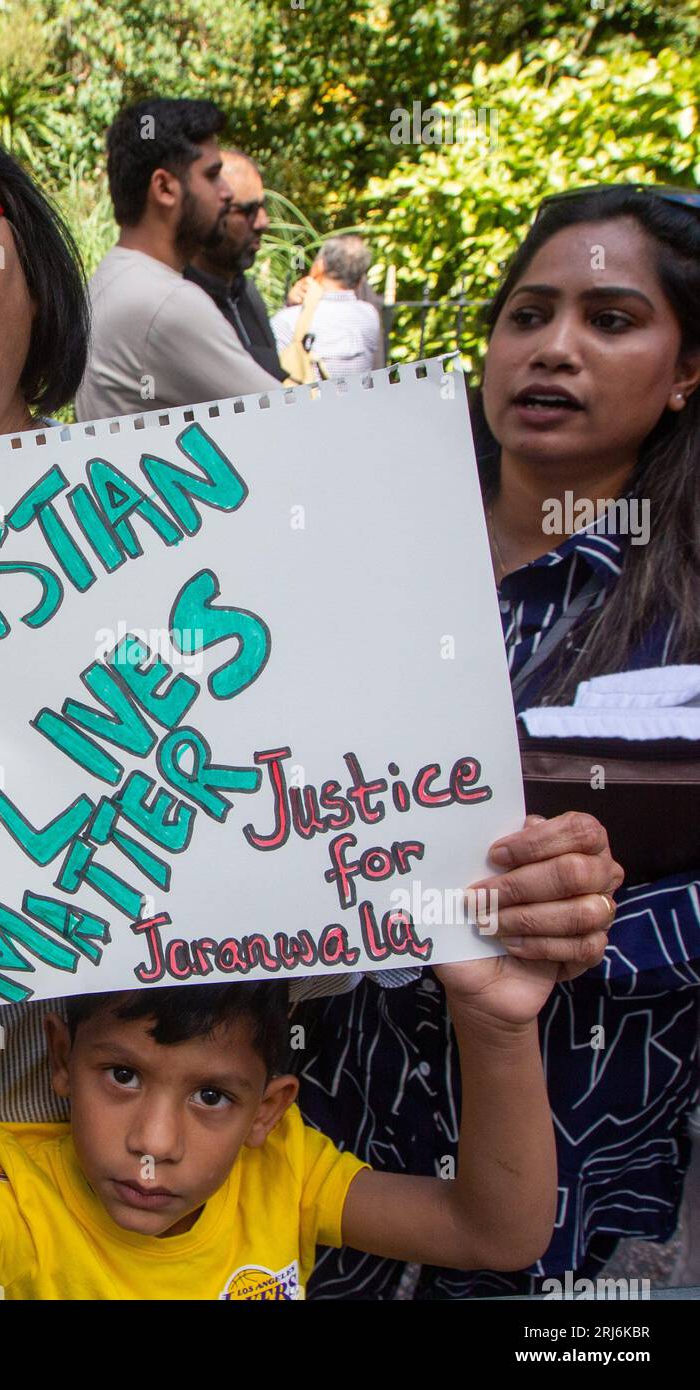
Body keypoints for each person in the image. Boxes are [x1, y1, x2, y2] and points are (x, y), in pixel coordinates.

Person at [0, 61, 622, 1300]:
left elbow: (355, 883)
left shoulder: (253, 538)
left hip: (202, 1230)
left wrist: (505, 898)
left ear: (23, 247)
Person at [298, 184, 700, 1299]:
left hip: (570, 1141)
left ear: (685, 370)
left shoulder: (683, 611)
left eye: (611, 319)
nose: (554, 348)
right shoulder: (356, 545)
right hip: (335, 1122)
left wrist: (594, 917)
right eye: (527, 315)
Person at [0, 976, 559, 1299]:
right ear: (62, 1062)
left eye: (211, 1095)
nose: (153, 1143)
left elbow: (492, 1230)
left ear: (269, 1110)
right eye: (123, 1076)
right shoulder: (25, 1199)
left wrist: (495, 1024)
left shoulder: (286, 1173)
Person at [75, 99, 283, 420]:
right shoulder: (164, 302)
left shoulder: (113, 277)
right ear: (164, 188)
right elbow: (289, 416)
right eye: (213, 175)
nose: (227, 192)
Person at [183, 150, 285, 379]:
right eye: (247, 211)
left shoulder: (247, 292)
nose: (262, 222)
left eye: (262, 206)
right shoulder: (181, 306)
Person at [271, 235, 381, 376]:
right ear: (359, 280)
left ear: (320, 266)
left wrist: (290, 305)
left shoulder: (288, 320)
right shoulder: (369, 316)